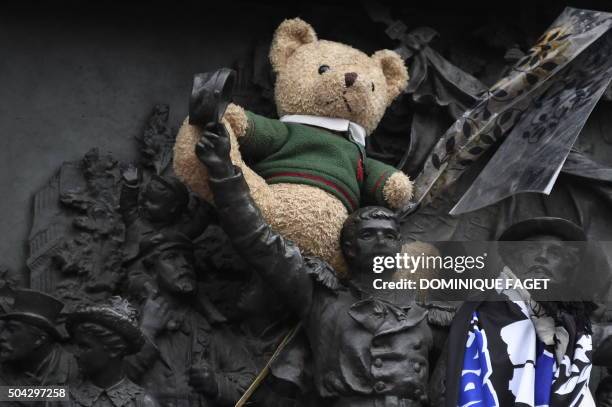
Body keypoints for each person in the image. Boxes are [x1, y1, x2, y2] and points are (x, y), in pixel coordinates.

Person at [195, 122, 440, 406]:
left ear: (400, 247)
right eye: (368, 234)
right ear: (349, 248)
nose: (381, 241)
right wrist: (224, 174)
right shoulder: (322, 298)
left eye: (389, 235)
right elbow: (257, 240)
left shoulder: (426, 310)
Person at [446, 218, 598, 407]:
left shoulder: (580, 324)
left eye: (555, 252)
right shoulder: (482, 309)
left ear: (567, 268)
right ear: (513, 257)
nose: (542, 257)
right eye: (532, 248)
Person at [126, 235, 254, 407]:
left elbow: (253, 382)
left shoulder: (209, 327)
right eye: (171, 257)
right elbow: (106, 378)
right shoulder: (128, 320)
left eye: (188, 258)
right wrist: (147, 331)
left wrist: (217, 385)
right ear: (152, 270)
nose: (184, 264)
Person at [65, 296, 158, 407]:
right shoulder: (59, 397)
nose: (75, 353)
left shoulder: (144, 403)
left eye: (84, 347)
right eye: (76, 345)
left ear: (115, 350)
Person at [0, 289, 78, 390]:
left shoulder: (73, 369)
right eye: (3, 329)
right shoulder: (6, 365)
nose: (2, 336)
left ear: (39, 339)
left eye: (11, 330)